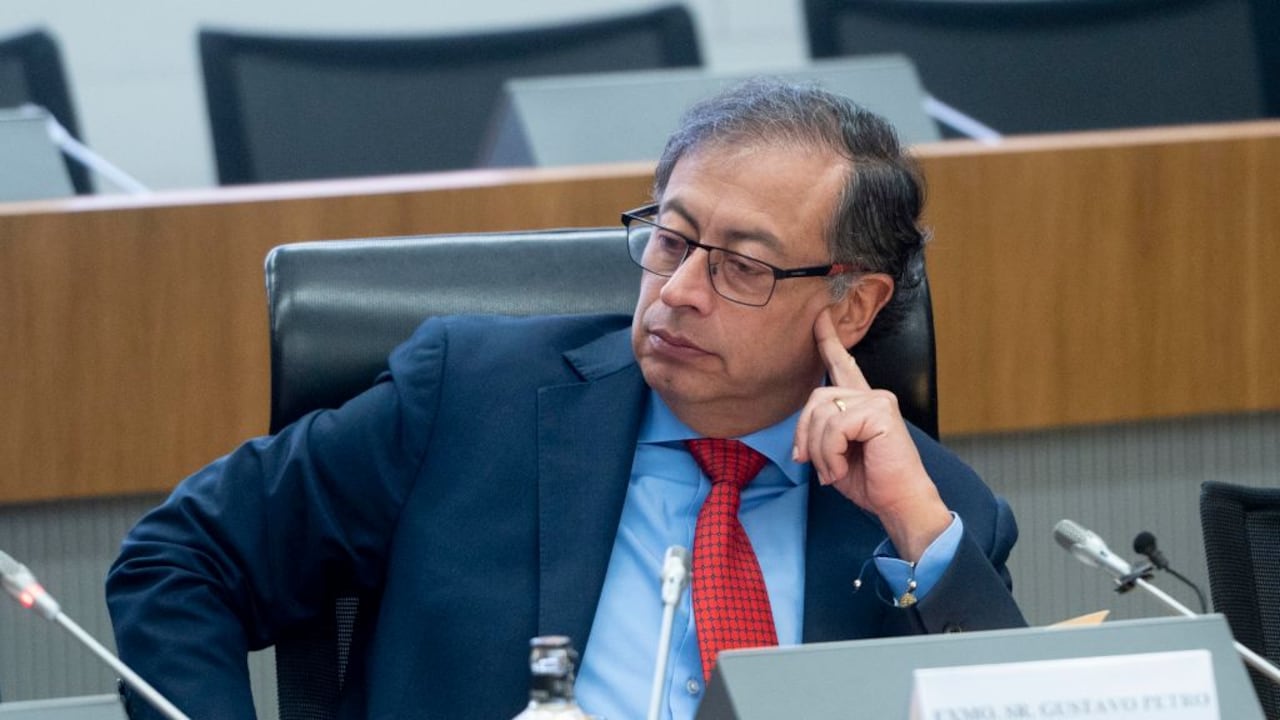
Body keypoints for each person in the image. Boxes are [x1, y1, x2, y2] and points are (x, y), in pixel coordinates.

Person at [106, 79, 1025, 720]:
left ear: (852, 305)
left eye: (742, 267)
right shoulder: (471, 398)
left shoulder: (933, 511)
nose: (678, 293)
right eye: (671, 240)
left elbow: (1010, 700)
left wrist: (920, 532)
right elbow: (182, 557)